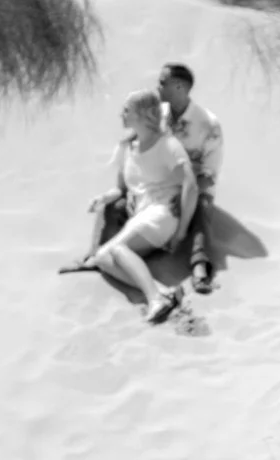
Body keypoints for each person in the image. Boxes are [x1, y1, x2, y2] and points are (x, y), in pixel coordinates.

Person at [71, 88, 197, 324]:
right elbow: (122, 188)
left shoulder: (167, 145)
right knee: (102, 258)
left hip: (162, 213)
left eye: (127, 110)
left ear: (143, 114)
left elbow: (191, 185)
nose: (122, 114)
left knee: (118, 251)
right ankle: (162, 292)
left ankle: (155, 301)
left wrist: (181, 231)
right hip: (140, 214)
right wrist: (104, 198)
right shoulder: (126, 148)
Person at [156, 62, 227, 294]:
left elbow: (209, 174)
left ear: (178, 87)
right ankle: (97, 254)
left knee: (199, 211)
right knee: (115, 205)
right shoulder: (157, 117)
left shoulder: (208, 124)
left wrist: (185, 194)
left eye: (162, 83)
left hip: (195, 188)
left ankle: (199, 267)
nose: (157, 87)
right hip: (160, 185)